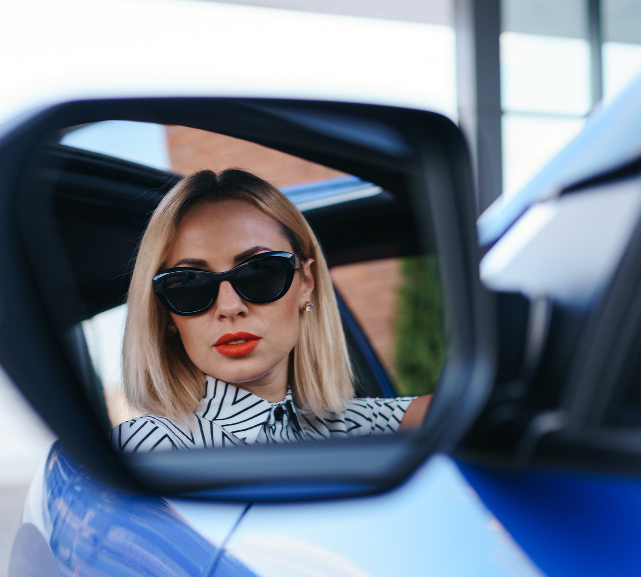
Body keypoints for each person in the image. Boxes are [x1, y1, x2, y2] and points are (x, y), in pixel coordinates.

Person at [111, 168, 432, 452]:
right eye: (189, 286)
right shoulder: (151, 445)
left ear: (306, 282)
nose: (230, 306)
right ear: (166, 313)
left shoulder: (357, 426)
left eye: (259, 273)